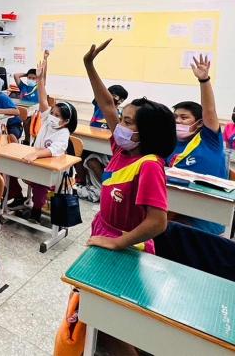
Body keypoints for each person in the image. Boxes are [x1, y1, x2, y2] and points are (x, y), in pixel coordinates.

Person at [82, 39, 175, 356]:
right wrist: (89, 65)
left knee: (113, 325)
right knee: (99, 317)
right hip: (105, 232)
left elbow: (157, 222)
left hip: (129, 248)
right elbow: (107, 105)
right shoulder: (122, 149)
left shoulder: (148, 166)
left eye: (127, 121)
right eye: (122, 119)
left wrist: (118, 242)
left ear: (146, 132)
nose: (119, 123)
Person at [169, 55, 229, 234]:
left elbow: (209, 110)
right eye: (175, 118)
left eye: (184, 117)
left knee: (169, 229)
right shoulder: (169, 143)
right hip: (175, 204)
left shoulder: (210, 140)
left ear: (200, 123)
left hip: (206, 213)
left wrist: (204, 80)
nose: (178, 121)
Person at [15, 53, 78, 223]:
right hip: (37, 165)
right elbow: (43, 99)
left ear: (65, 121)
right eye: (53, 113)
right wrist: (41, 79)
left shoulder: (63, 133)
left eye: (57, 115)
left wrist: (35, 154)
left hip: (53, 171)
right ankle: (19, 201)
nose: (52, 116)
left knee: (40, 185)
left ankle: (36, 212)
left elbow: (53, 150)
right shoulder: (47, 120)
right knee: (12, 169)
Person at [79, 84, 129, 202]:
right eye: (114, 95)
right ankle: (82, 181)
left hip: (106, 148)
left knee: (92, 161)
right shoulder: (99, 105)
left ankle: (108, 187)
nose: (117, 100)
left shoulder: (117, 115)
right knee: (77, 154)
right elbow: (99, 92)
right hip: (91, 141)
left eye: (121, 99)